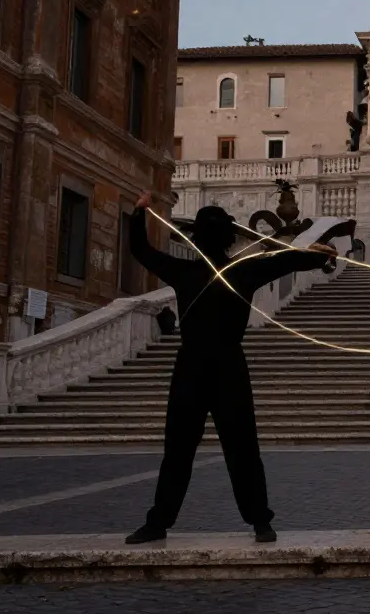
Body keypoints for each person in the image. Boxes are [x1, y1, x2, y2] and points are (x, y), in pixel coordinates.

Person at [123, 191, 337, 545]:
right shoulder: (247, 269)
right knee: (242, 449)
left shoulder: (182, 270)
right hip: (228, 365)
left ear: (196, 240)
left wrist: (137, 212)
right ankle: (260, 522)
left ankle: (158, 523)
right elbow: (288, 261)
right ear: (228, 238)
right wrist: (321, 256)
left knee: (178, 451)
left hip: (191, 365)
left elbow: (141, 250)